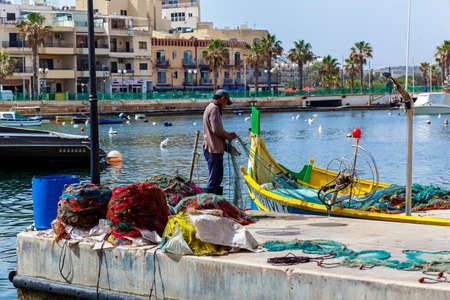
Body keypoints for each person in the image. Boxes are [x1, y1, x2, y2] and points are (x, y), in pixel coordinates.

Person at [202, 89, 237, 195]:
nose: (225, 105)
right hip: (213, 150)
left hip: (212, 148)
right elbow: (216, 130)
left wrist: (229, 148)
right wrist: (228, 136)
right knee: (215, 179)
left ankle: (214, 203)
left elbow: (215, 134)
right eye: (226, 102)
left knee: (216, 178)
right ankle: (208, 204)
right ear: (222, 99)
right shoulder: (214, 109)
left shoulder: (210, 107)